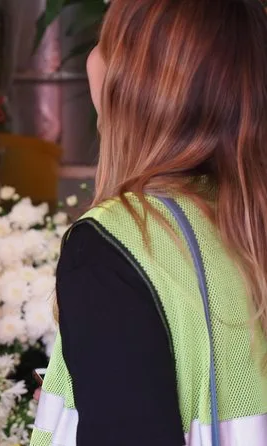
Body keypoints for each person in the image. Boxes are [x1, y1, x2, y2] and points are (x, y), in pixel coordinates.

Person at [30, 0, 267, 445]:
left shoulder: (116, 246)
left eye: (104, 40)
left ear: (136, 82)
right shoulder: (248, 222)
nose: (91, 58)